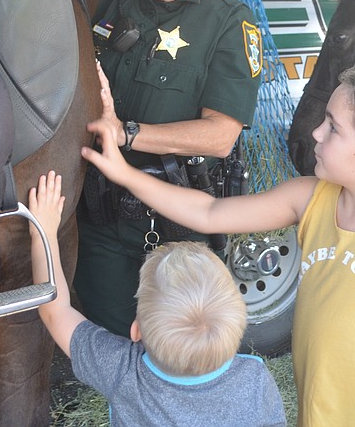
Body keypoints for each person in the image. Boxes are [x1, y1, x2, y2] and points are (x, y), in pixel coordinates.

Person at [83, 59, 355, 426]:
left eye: (332, 128)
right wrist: (125, 174)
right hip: (317, 412)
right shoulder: (313, 197)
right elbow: (211, 213)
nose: (316, 132)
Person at [75, 0, 263, 338]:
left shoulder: (229, 22)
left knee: (179, 356)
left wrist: (128, 134)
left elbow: (221, 135)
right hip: (100, 221)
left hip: (179, 231)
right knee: (113, 346)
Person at [28, 171, 286, 427]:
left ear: (136, 330)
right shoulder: (255, 379)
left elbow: (55, 312)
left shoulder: (124, 371)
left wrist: (44, 233)